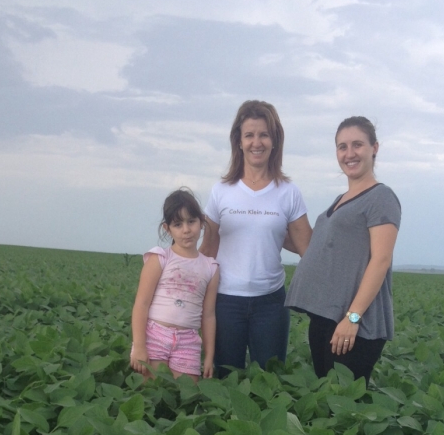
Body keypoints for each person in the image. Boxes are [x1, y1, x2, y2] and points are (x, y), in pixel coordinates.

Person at [285, 116, 401, 384]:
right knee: (326, 401)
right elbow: (319, 249)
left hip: (356, 325)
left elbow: (380, 260)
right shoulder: (340, 200)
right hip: (326, 318)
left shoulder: (381, 197)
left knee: (345, 405)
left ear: (375, 148)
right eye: (342, 147)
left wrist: (353, 317)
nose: (349, 154)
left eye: (357, 145)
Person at [200, 99, 312, 375]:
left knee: (270, 383)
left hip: (271, 304)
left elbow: (307, 248)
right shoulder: (221, 191)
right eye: (249, 135)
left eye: (264, 134)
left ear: (275, 141)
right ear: (238, 141)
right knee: (226, 382)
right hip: (225, 302)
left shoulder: (288, 192)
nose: (256, 142)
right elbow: (207, 249)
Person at [130, 189, 219, 381]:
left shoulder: (211, 267)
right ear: (167, 228)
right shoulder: (160, 258)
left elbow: (209, 315)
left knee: (186, 397)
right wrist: (139, 346)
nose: (186, 230)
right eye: (178, 224)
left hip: (189, 341)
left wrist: (210, 356)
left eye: (191, 221)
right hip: (155, 335)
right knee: (154, 393)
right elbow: (141, 304)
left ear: (202, 222)